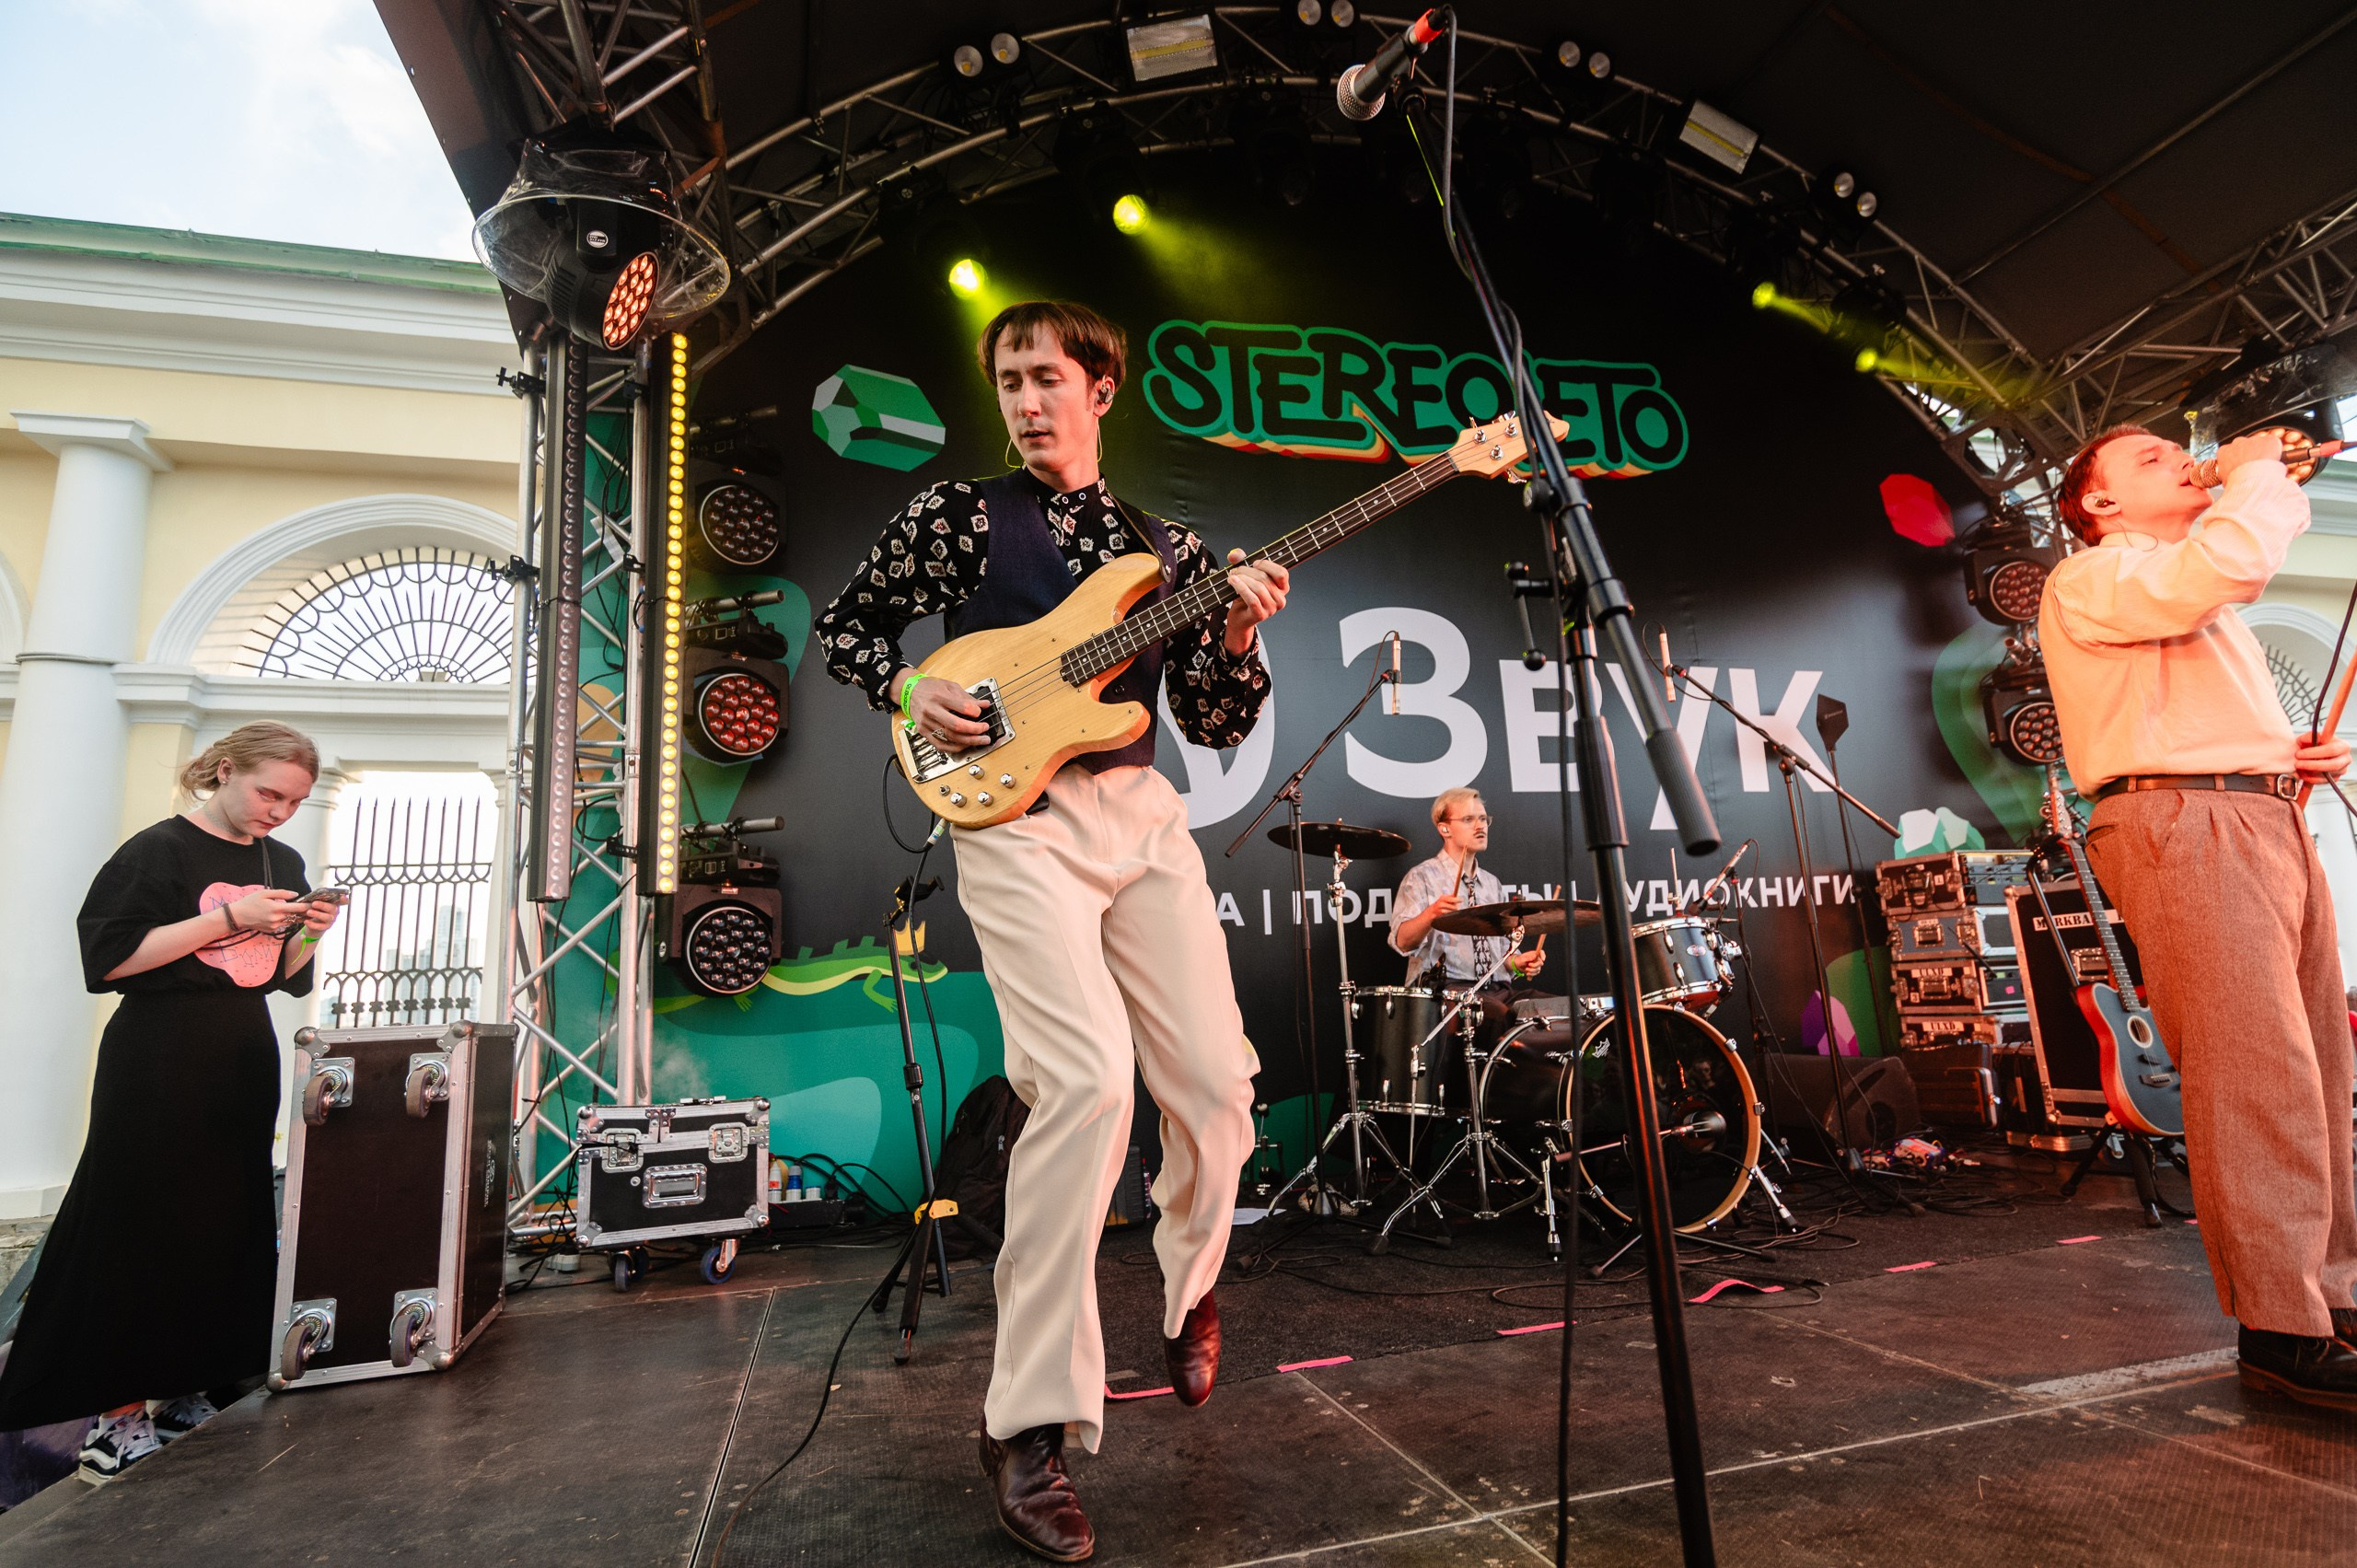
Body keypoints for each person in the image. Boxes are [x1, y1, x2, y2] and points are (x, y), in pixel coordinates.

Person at [814, 299, 1287, 1562]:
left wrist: (1236, 628)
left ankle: (1191, 1284)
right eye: (1009, 381)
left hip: (1137, 811)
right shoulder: (957, 517)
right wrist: (914, 684)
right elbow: (845, 627)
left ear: (1100, 390)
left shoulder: (1167, 550)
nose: (1026, 400)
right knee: (1083, 1083)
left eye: (1047, 378)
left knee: (1215, 1083)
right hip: (1015, 821)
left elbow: (1213, 718)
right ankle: (1027, 1423)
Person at [2039, 424, 2357, 1410]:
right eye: (2148, 458)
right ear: (2099, 504)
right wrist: (2252, 468)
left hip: (2262, 814)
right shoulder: (2092, 576)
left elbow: (2191, 704)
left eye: (2180, 448)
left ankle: (2331, 1295)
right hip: (2185, 822)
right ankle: (2279, 1324)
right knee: (2255, 1069)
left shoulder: (2185, 585)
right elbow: (2232, 563)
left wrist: (2284, 753)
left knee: (2319, 1067)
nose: (2182, 458)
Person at [0, 722, 340, 1480]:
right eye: (270, 793)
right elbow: (110, 959)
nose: (280, 811)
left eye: (294, 801)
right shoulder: (155, 851)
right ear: (224, 771)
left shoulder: (281, 860)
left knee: (221, 1225)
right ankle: (114, 1419)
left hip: (242, 1054)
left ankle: (185, 1388)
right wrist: (229, 918)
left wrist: (311, 933)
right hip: (157, 1056)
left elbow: (279, 975)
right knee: (139, 1229)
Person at [1388, 787, 1550, 991]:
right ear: (1444, 829)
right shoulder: (1421, 877)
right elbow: (1403, 942)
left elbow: (1503, 953)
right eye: (1468, 819)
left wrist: (1518, 964)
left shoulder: (1492, 883)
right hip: (1445, 990)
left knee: (1557, 1007)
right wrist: (1431, 914)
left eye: (1483, 819)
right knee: (1495, 1009)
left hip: (1497, 989)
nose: (1480, 826)